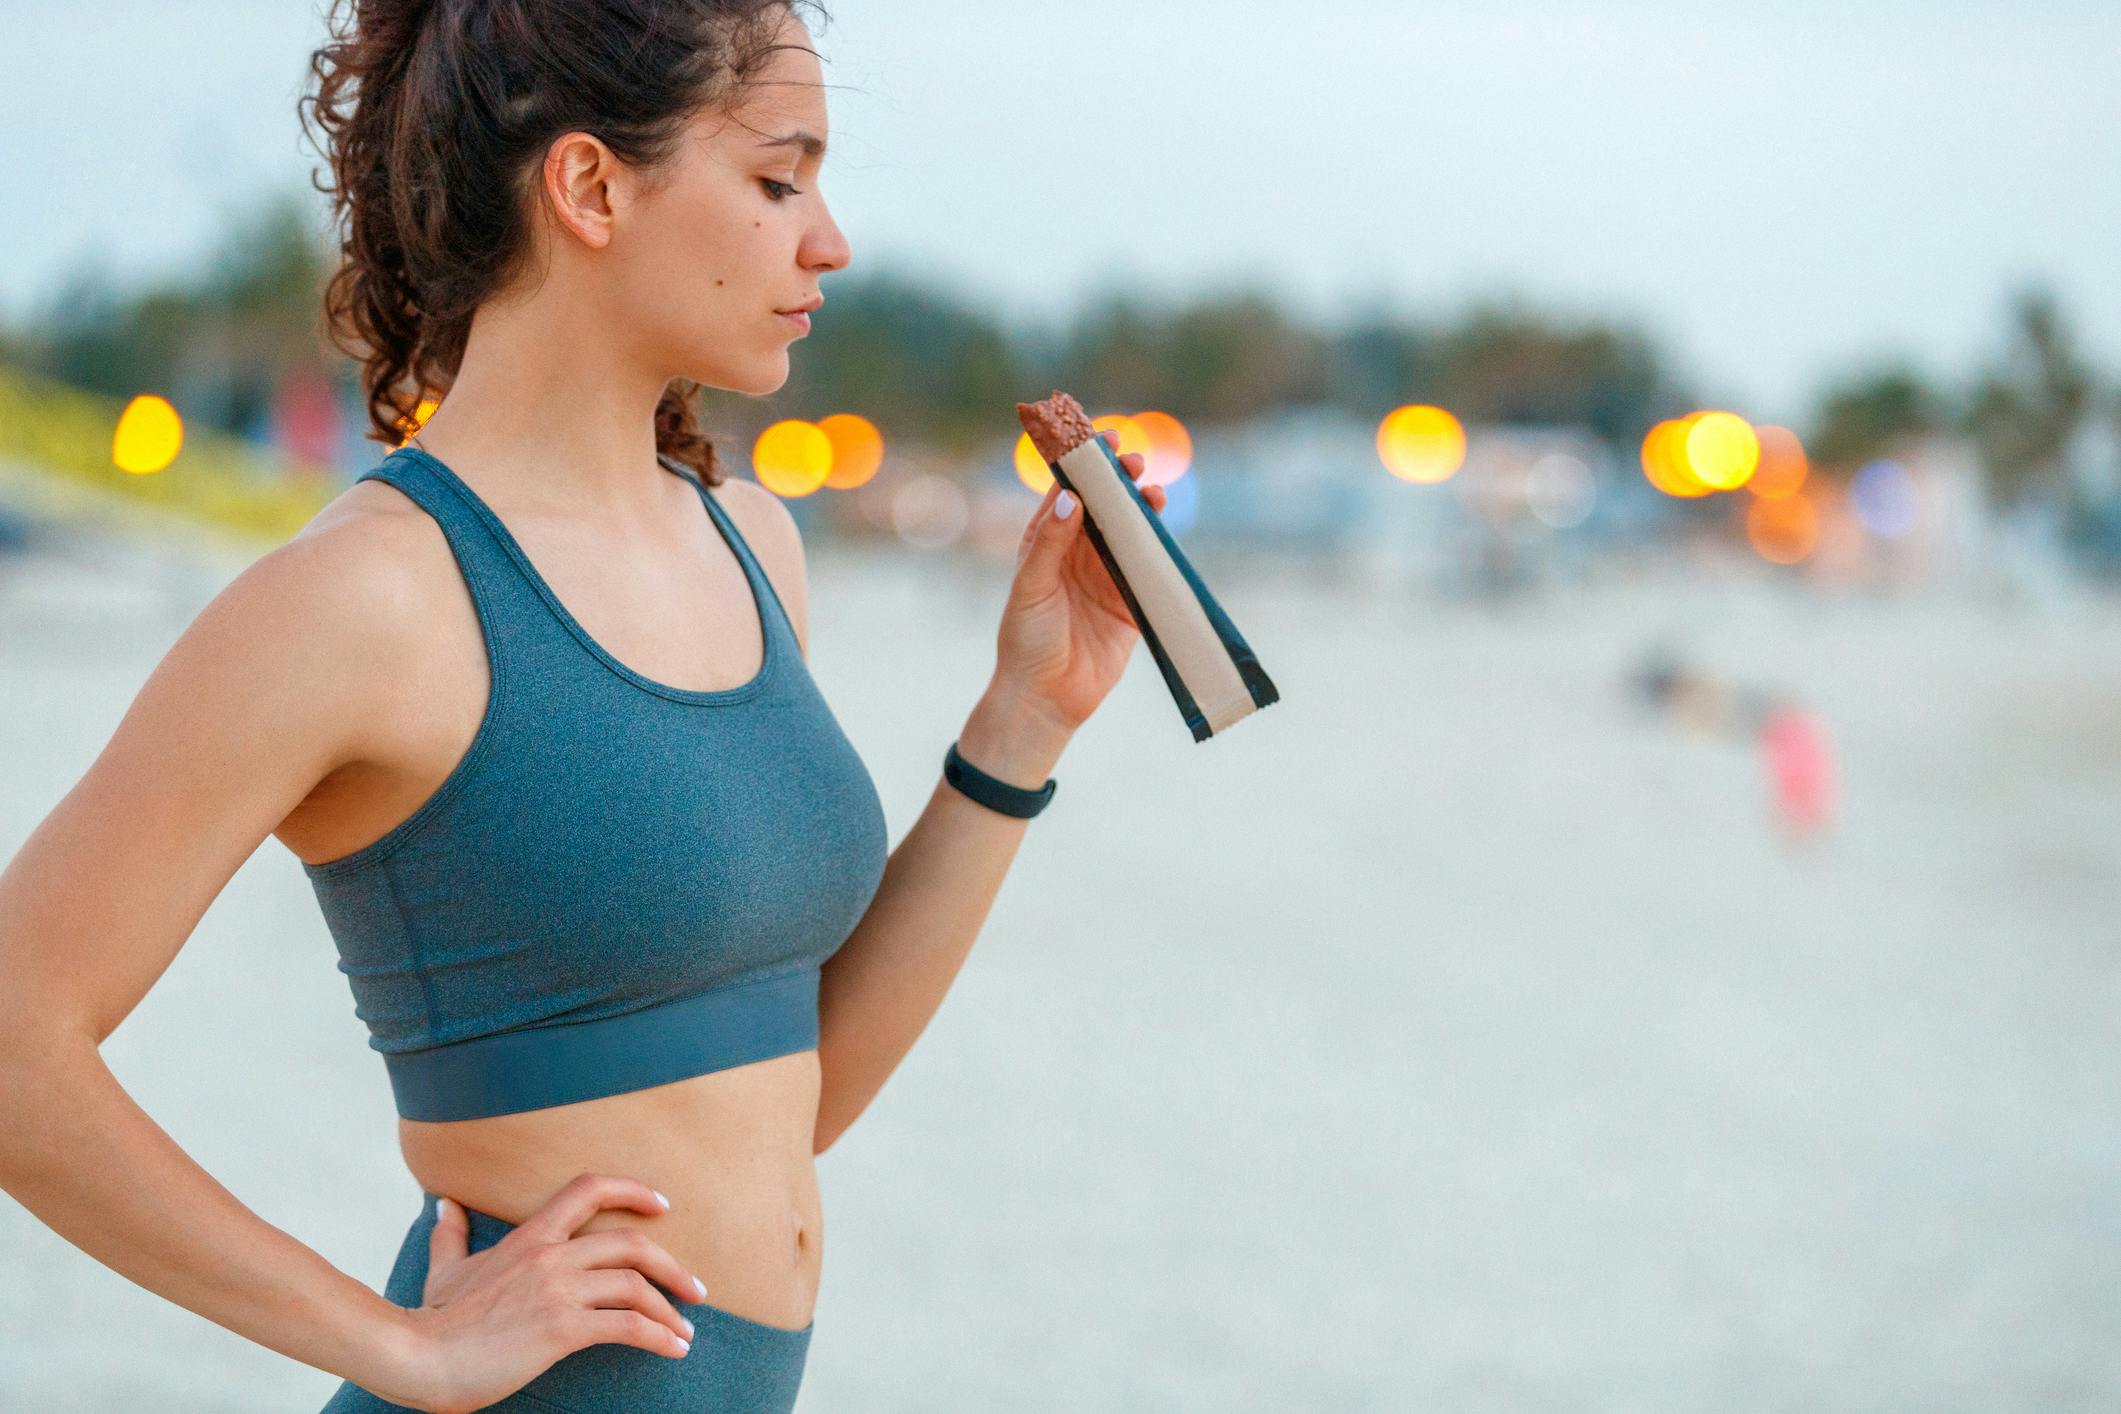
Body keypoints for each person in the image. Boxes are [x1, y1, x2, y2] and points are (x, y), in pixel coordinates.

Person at [0, 2, 1166, 1409]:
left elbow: (790, 1098)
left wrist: (1022, 725)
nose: (829, 241)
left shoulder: (752, 545)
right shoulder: (370, 597)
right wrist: (398, 1344)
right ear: (590, 187)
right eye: (778, 179)